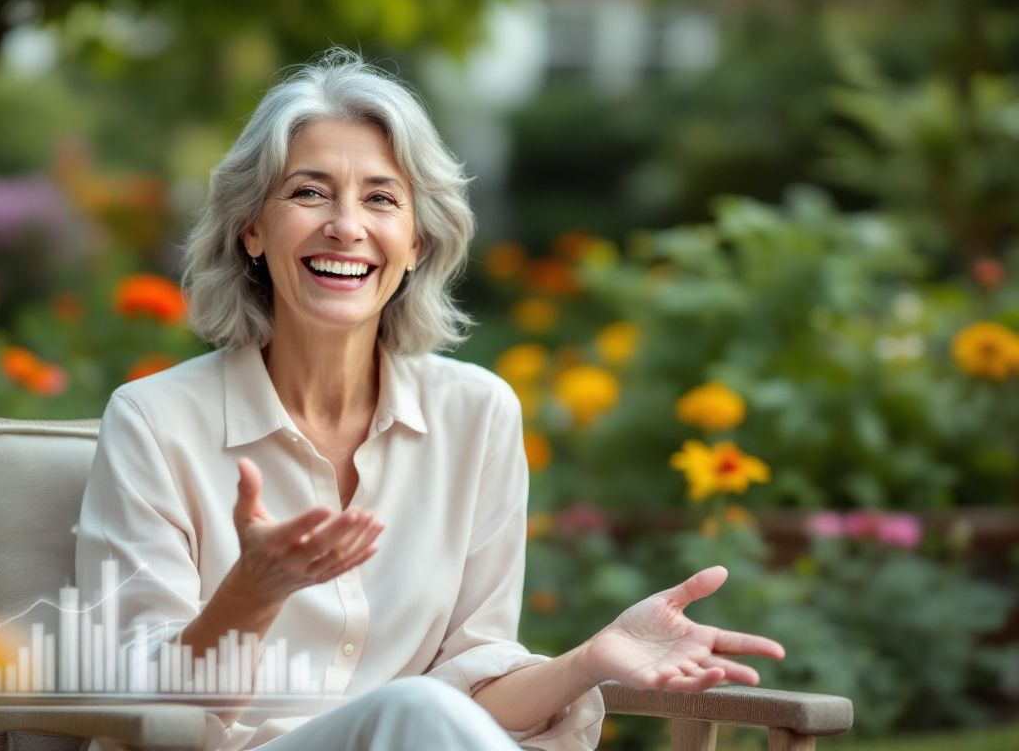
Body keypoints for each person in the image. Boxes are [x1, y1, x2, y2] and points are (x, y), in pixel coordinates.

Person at [76, 49, 785, 751]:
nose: (346, 226)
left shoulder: (477, 415)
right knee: (412, 710)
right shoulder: (153, 422)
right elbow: (148, 708)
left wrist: (590, 661)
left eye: (381, 198)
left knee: (418, 711)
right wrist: (254, 591)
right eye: (309, 192)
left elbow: (472, 685)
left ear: (416, 241)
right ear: (252, 228)